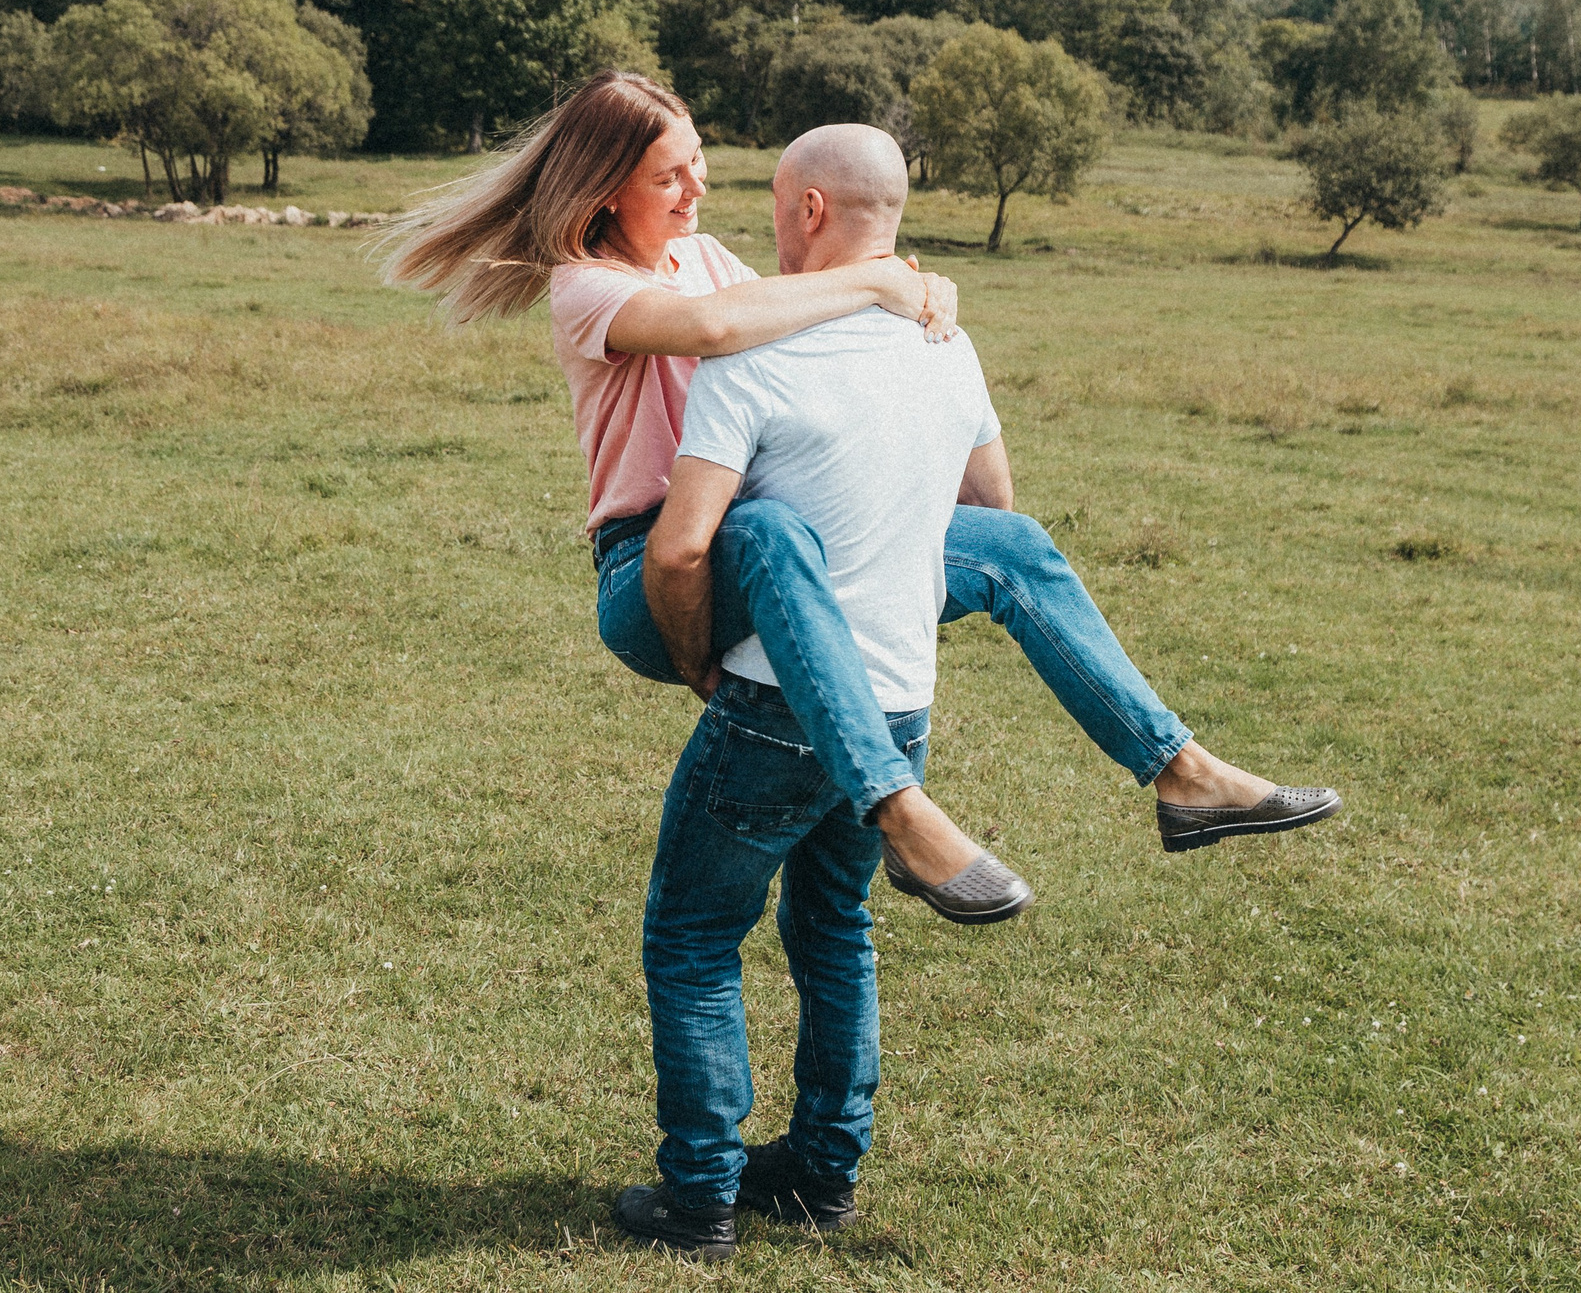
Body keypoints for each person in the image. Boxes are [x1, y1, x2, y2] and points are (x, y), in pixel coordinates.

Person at [616, 126, 1332, 1258]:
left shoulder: (753, 361)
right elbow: (989, 512)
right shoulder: (945, 344)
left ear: (807, 211)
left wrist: (703, 660)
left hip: (775, 707)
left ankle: (699, 1198)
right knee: (834, 930)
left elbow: (680, 548)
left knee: (695, 938)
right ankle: (819, 1176)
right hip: (898, 700)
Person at [383, 72, 1336, 897]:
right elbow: (720, 331)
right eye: (669, 172)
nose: (697, 185)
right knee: (764, 534)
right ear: (605, 188)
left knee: (1013, 544)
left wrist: (929, 305)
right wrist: (882, 281)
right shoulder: (584, 285)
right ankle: (899, 807)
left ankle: (1181, 768)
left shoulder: (707, 256)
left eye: (699, 159)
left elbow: (795, 327)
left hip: (772, 541)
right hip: (653, 571)